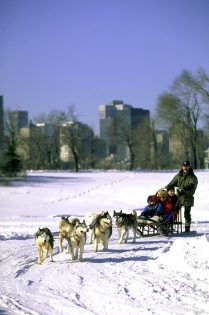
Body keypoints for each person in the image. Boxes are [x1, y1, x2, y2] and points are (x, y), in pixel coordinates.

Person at [165, 160, 198, 232]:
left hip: (188, 197)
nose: (185, 167)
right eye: (184, 166)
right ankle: (169, 225)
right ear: (182, 167)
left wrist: (184, 188)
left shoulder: (192, 177)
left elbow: (192, 185)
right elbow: (172, 183)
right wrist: (167, 188)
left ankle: (187, 227)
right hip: (179, 197)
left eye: (186, 166)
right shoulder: (178, 176)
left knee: (187, 213)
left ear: (189, 167)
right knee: (173, 212)